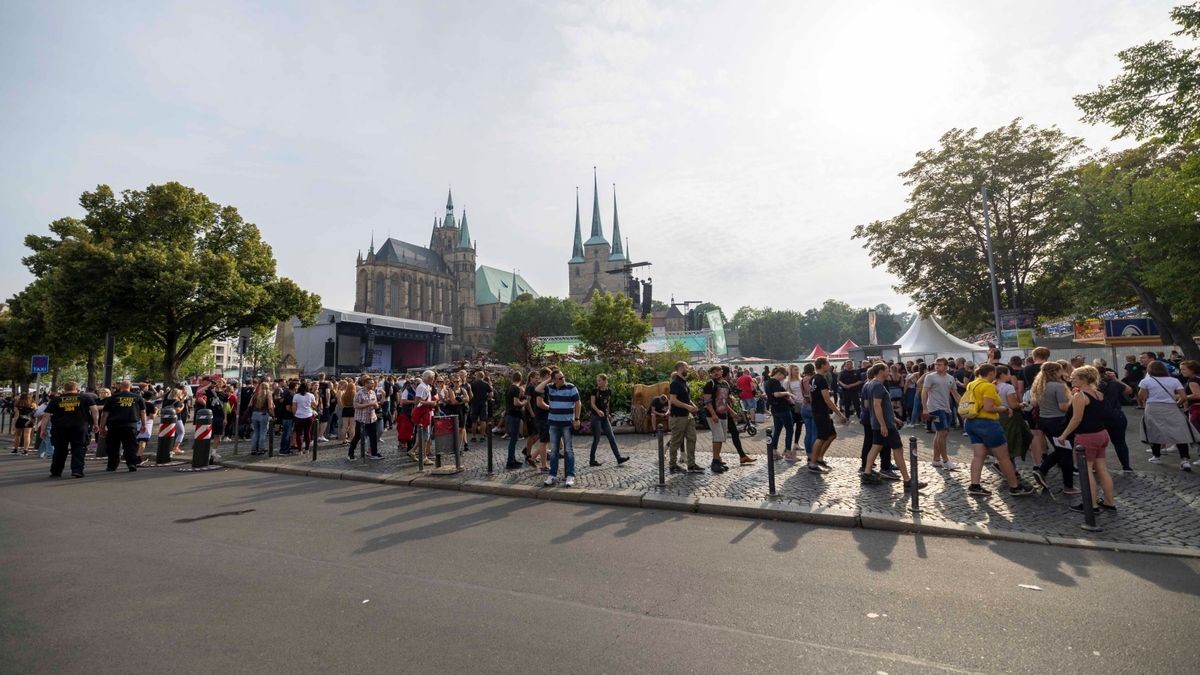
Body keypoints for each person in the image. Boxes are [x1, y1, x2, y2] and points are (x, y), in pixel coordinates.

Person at [961, 364, 1037, 498]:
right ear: (990, 373)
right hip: (987, 423)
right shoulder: (988, 386)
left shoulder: (973, 384)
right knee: (1003, 457)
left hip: (971, 422)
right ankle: (1015, 486)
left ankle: (975, 485)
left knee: (979, 455)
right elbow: (989, 407)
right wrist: (1005, 409)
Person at [1054, 366, 1117, 514]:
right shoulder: (1099, 394)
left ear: (1083, 379)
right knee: (1102, 469)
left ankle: (1091, 505)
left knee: (1086, 471)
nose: (1071, 380)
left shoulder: (1080, 396)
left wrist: (1063, 435)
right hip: (1101, 434)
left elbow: (1076, 419)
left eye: (1074, 377)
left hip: (1087, 436)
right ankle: (1109, 501)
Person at [861, 364, 926, 490]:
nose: (889, 372)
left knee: (876, 446)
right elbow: (876, 405)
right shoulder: (878, 385)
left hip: (879, 422)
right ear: (881, 372)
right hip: (885, 424)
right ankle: (908, 480)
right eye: (887, 370)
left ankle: (867, 473)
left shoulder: (870, 384)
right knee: (898, 449)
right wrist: (884, 425)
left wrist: (894, 418)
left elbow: (875, 406)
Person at [1138, 360, 1195, 471]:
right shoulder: (1174, 380)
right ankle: (1184, 460)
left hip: (1153, 408)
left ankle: (1156, 456)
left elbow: (1141, 396)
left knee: (1154, 431)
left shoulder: (1146, 381)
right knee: (1179, 432)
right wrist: (1176, 405)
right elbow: (1183, 397)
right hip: (1171, 408)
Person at [1030, 362, 1077, 494]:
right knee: (1066, 452)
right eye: (1060, 370)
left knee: (1060, 450)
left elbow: (1034, 403)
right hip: (1058, 421)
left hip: (1044, 421)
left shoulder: (1039, 385)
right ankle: (1068, 486)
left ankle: (1042, 470)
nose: (1062, 373)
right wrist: (1073, 399)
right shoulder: (1058, 386)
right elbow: (1063, 407)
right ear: (1055, 372)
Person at [39, 382, 99, 478]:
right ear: (77, 388)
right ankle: (77, 470)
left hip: (60, 428)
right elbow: (94, 410)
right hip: (79, 426)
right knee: (79, 447)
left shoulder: (56, 399)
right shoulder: (85, 398)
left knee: (59, 449)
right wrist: (95, 423)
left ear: (64, 389)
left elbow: (46, 415)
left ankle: (56, 471)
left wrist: (43, 429)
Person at [537, 369, 581, 487]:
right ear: (554, 380)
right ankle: (552, 475)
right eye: (560, 378)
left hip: (567, 424)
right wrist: (548, 380)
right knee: (554, 451)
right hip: (554, 424)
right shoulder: (550, 387)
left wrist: (577, 419)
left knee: (568, 450)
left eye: (563, 377)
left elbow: (578, 403)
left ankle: (570, 475)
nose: (563, 379)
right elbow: (537, 389)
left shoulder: (571, 387)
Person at [807, 357, 847, 474]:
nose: (829, 366)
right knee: (821, 437)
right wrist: (840, 414)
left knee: (832, 435)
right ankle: (813, 464)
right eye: (828, 364)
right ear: (823, 365)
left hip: (818, 410)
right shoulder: (821, 379)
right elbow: (827, 400)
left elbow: (811, 395)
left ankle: (819, 458)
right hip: (821, 412)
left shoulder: (813, 378)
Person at [99, 380, 146, 473]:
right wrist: (143, 425)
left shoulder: (112, 398)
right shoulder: (137, 397)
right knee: (130, 446)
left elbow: (105, 414)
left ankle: (112, 466)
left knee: (113, 446)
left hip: (114, 425)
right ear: (131, 386)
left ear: (120, 387)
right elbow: (143, 412)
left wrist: (102, 427)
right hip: (130, 425)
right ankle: (131, 464)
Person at [922, 358, 960, 470]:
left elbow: (955, 393)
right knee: (942, 432)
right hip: (935, 408)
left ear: (946, 366)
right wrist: (925, 408)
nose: (937, 366)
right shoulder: (930, 377)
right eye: (936, 364)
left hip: (946, 408)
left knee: (940, 433)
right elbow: (924, 392)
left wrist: (963, 405)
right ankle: (945, 460)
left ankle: (936, 459)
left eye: (940, 364)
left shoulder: (950, 378)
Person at [666, 361, 702, 474]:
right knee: (676, 442)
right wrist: (688, 407)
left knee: (692, 438)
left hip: (688, 416)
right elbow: (673, 400)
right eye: (687, 367)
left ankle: (691, 464)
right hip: (678, 417)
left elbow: (685, 397)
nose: (689, 369)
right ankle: (673, 465)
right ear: (681, 368)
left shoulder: (683, 382)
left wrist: (693, 405)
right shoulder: (675, 383)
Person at [588, 373, 629, 467]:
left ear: (605, 381)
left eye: (599, 380)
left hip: (604, 417)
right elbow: (592, 404)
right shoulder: (594, 391)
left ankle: (618, 458)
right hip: (596, 417)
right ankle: (592, 460)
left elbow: (608, 404)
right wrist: (598, 411)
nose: (598, 382)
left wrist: (608, 413)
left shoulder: (608, 391)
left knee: (612, 437)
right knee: (597, 439)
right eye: (597, 380)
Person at [720, 365, 757, 464]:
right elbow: (722, 400)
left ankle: (742, 456)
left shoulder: (725, 383)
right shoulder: (722, 384)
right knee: (719, 436)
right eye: (730, 373)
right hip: (722, 412)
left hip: (725, 411)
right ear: (727, 373)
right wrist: (732, 412)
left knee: (734, 433)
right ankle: (717, 458)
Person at [995, 366, 1032, 464]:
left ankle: (1002, 463)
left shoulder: (992, 386)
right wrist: (1023, 404)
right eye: (1008, 373)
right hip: (1009, 416)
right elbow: (1013, 405)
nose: (1010, 375)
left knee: (1003, 441)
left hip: (996, 415)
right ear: (1002, 374)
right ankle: (1010, 466)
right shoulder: (1008, 387)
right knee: (1011, 442)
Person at [1099, 368, 1134, 472]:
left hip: (1098, 417)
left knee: (1099, 443)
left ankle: (1097, 466)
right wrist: (1115, 379)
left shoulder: (1091, 386)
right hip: (1116, 415)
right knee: (1120, 442)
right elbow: (1129, 390)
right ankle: (1126, 466)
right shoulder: (1113, 384)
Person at [701, 366, 731, 473]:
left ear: (722, 372)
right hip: (713, 415)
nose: (716, 373)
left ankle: (718, 458)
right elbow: (707, 401)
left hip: (723, 415)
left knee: (721, 438)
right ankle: (715, 461)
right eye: (713, 372)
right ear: (711, 374)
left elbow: (725, 401)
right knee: (718, 437)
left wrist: (732, 412)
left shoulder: (725, 384)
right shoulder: (710, 384)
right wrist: (713, 414)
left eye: (718, 371)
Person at [763, 366, 794, 462]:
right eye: (784, 376)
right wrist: (787, 393)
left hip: (775, 409)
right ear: (780, 373)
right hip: (782, 409)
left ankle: (774, 451)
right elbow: (776, 394)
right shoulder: (775, 382)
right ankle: (788, 452)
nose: (784, 379)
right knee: (790, 430)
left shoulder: (767, 382)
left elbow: (770, 394)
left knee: (777, 430)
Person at [348, 376, 382, 460]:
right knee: (358, 437)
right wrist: (369, 404)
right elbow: (356, 405)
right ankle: (350, 453)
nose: (373, 385)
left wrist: (376, 405)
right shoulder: (359, 393)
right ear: (366, 384)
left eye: (373, 383)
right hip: (361, 419)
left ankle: (373, 453)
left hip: (372, 418)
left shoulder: (373, 392)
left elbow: (375, 404)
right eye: (371, 383)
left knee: (373, 436)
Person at [503, 372, 527, 470]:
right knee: (513, 439)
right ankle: (510, 461)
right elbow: (516, 403)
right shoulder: (516, 389)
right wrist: (525, 402)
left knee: (513, 439)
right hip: (514, 415)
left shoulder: (509, 388)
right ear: (521, 379)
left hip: (508, 415)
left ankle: (512, 459)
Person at [247, 382, 274, 456]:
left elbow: (250, 405)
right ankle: (261, 449)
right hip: (263, 414)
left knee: (256, 432)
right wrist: (273, 415)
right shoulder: (268, 394)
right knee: (262, 432)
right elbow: (270, 406)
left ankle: (253, 449)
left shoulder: (255, 395)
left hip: (254, 414)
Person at [291, 382, 317, 453]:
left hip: (298, 416)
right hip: (308, 416)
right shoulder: (311, 395)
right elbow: (315, 405)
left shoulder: (296, 396)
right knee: (307, 432)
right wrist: (316, 399)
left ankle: (300, 450)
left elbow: (294, 407)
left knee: (299, 434)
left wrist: (295, 415)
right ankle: (307, 449)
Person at [469, 371, 491, 443]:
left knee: (474, 421)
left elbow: (470, 394)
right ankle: (482, 436)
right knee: (483, 420)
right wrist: (487, 398)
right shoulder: (486, 384)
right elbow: (491, 394)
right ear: (483, 376)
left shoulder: (473, 384)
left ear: (477, 376)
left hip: (474, 403)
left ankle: (473, 436)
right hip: (483, 403)